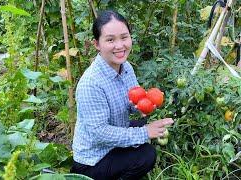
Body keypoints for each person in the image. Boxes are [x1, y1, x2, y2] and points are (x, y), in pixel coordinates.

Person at [70, 10, 174, 180]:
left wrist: (141, 106)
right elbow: (100, 133)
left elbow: (131, 103)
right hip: (93, 161)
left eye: (124, 37)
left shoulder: (126, 68)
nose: (120, 46)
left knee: (142, 122)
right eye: (110, 40)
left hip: (110, 143)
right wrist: (145, 132)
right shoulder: (91, 83)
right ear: (97, 44)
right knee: (146, 155)